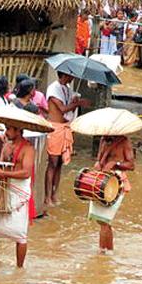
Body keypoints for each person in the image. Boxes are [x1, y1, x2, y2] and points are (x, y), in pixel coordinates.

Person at [0, 124, 35, 266]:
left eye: (9, 129)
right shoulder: (6, 146)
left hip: (18, 190)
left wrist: (3, 173)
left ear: (18, 130)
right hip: (2, 186)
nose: (6, 132)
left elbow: (26, 173)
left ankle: (19, 267)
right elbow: (0, 166)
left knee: (20, 235)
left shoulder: (28, 149)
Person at [44, 71, 86, 207]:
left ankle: (54, 194)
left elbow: (68, 111)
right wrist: (78, 103)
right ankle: (47, 196)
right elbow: (62, 109)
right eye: (71, 74)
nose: (73, 77)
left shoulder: (67, 89)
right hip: (55, 128)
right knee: (52, 163)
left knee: (60, 163)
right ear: (64, 75)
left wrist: (74, 102)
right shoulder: (53, 88)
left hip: (64, 127)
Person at [88, 134, 134, 253]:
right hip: (101, 179)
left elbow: (131, 165)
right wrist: (98, 163)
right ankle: (106, 251)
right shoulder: (103, 139)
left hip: (115, 181)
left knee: (104, 220)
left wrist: (115, 164)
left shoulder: (124, 141)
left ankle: (104, 253)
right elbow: (99, 159)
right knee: (100, 220)